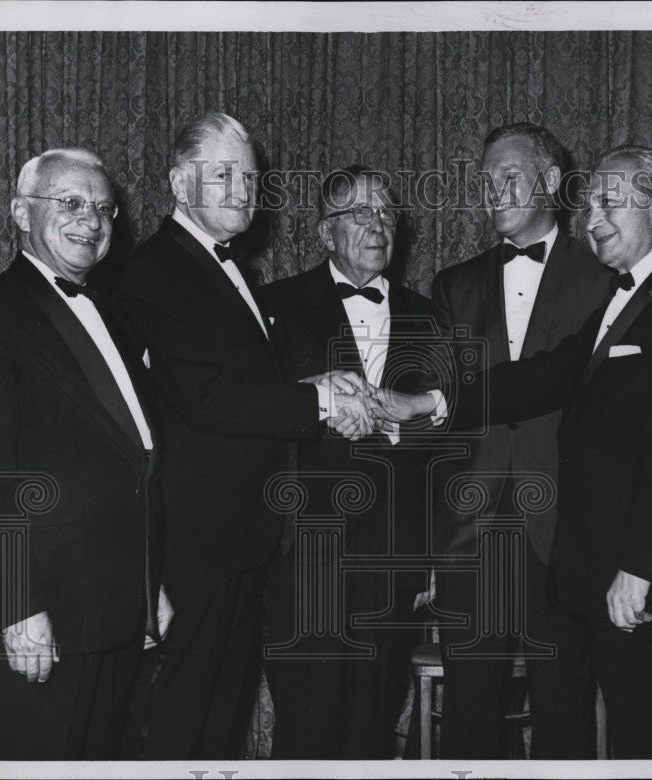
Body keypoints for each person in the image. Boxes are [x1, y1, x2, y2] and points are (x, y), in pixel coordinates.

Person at [373, 145, 652, 757]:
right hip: (580, 560)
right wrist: (426, 402)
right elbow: (539, 376)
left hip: (629, 566)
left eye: (610, 203)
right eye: (591, 205)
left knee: (639, 735)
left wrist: (640, 567)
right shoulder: (628, 295)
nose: (593, 219)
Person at [117, 113, 370, 758]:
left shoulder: (226, 268)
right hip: (198, 534)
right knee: (189, 710)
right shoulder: (155, 270)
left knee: (221, 710)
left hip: (242, 529)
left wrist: (318, 380)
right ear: (179, 183)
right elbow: (203, 396)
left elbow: (243, 378)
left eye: (250, 176)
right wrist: (317, 400)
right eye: (223, 174)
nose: (241, 189)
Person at [0, 147, 170, 759]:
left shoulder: (114, 315)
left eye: (102, 207)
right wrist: (16, 606)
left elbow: (133, 459)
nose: (90, 220)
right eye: (69, 203)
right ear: (20, 212)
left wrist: (150, 587)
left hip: (119, 612)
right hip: (42, 618)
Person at [427, 122, 612, 758]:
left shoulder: (603, 276)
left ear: (552, 182)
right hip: (469, 533)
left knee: (564, 710)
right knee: (469, 715)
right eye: (485, 181)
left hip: (562, 531)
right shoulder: (454, 285)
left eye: (510, 176)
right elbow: (443, 418)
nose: (494, 191)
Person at [260, 165, 440, 758]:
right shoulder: (273, 307)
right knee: (304, 719)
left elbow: (451, 435)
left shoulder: (432, 316)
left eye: (387, 213)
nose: (377, 224)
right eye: (360, 213)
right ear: (324, 233)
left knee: (375, 715)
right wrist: (314, 403)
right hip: (303, 548)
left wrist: (428, 559)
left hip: (394, 551)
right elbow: (246, 418)